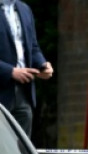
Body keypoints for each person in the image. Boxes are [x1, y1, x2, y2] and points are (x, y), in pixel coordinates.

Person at [0, 0, 52, 137]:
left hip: (24, 93)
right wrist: (10, 72)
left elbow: (33, 47)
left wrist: (43, 65)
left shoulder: (24, 9)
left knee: (21, 147)